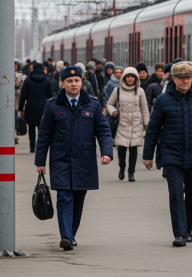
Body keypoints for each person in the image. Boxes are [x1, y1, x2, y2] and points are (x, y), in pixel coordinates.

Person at [35, 65, 113, 251]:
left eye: (77, 80)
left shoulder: (92, 104)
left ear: (82, 81)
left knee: (78, 198)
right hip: (60, 159)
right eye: (69, 81)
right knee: (64, 197)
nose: (73, 84)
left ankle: (71, 234)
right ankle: (66, 236)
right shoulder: (53, 105)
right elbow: (44, 135)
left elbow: (103, 130)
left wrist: (106, 152)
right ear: (63, 83)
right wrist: (40, 161)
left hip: (84, 159)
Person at [143, 61, 192, 247]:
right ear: (173, 79)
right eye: (181, 78)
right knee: (176, 194)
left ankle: (188, 229)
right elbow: (153, 129)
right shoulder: (163, 100)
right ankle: (179, 233)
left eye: (188, 78)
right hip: (172, 153)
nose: (185, 81)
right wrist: (148, 155)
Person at [106, 67, 149, 182]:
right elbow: (109, 104)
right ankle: (122, 168)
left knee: (134, 148)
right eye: (128, 77)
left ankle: (131, 172)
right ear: (124, 78)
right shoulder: (117, 90)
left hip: (136, 123)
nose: (130, 79)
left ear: (136, 78)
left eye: (132, 77)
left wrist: (146, 123)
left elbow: (144, 108)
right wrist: (114, 112)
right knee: (121, 148)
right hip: (122, 123)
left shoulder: (140, 91)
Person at [19, 62, 52, 153]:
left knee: (31, 127)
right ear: (42, 69)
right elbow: (50, 96)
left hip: (31, 106)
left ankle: (32, 147)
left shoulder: (28, 80)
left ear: (33, 69)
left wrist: (21, 109)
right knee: (42, 128)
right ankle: (41, 146)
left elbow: (23, 96)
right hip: (43, 107)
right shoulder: (47, 80)